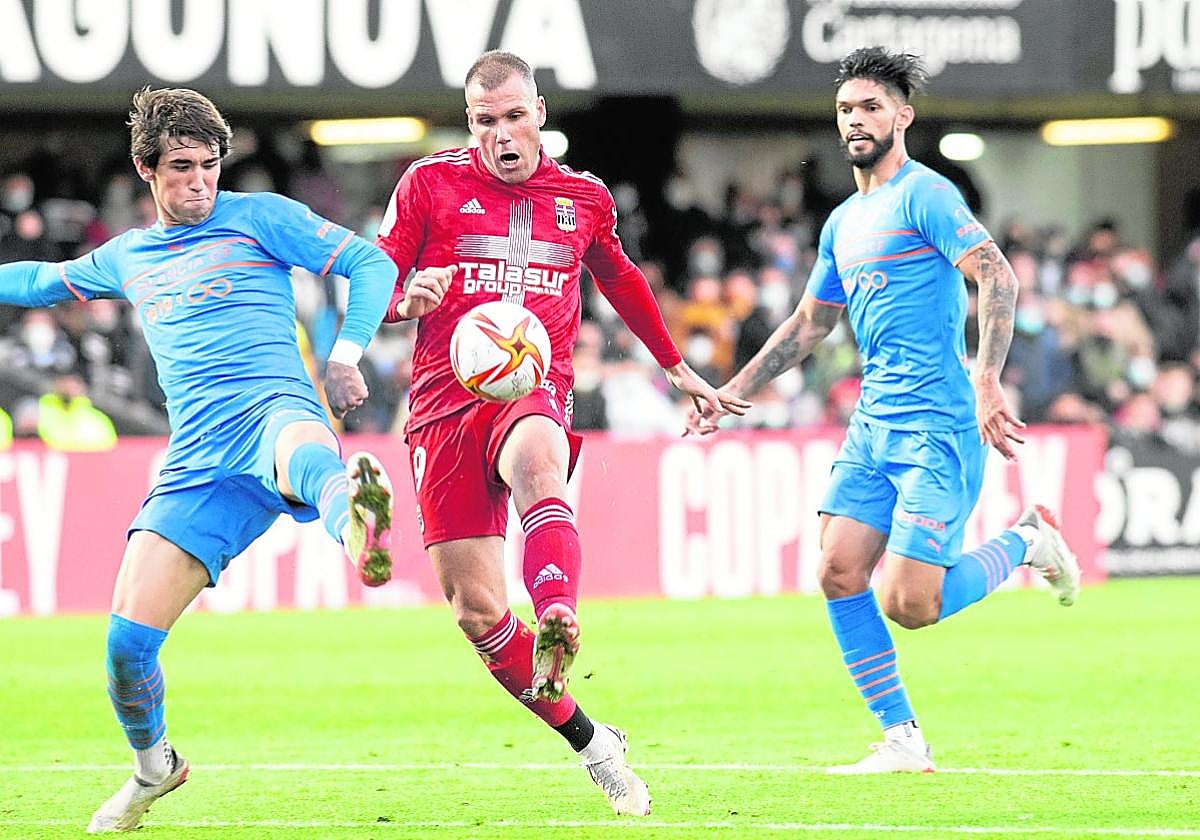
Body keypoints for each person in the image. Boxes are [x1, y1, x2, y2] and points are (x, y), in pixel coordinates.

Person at [0, 87, 399, 832]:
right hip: (197, 464)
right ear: (146, 169)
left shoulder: (261, 218)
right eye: (183, 168)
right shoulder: (128, 256)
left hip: (276, 410)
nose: (201, 184)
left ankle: (357, 529)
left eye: (211, 167)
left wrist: (346, 353)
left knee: (304, 452)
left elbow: (371, 264)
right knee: (125, 647)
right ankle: (155, 769)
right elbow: (40, 283)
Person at [687, 47, 1082, 773]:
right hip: (873, 425)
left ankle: (1027, 543)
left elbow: (995, 275)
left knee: (910, 603)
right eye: (845, 110)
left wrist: (987, 378)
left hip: (937, 426)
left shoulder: (925, 196)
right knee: (838, 568)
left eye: (870, 107)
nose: (855, 120)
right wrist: (733, 388)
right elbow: (812, 321)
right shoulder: (844, 220)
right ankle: (903, 739)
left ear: (902, 116)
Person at [375, 50, 748, 815]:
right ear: (470, 123)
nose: (501, 135)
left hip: (527, 386)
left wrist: (674, 364)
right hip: (443, 411)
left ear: (540, 112)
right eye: (485, 122)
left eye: (514, 116)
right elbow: (371, 281)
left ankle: (557, 609)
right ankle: (592, 741)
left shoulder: (584, 197)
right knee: (477, 613)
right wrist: (403, 299)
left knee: (542, 460)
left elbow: (620, 279)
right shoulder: (429, 185)